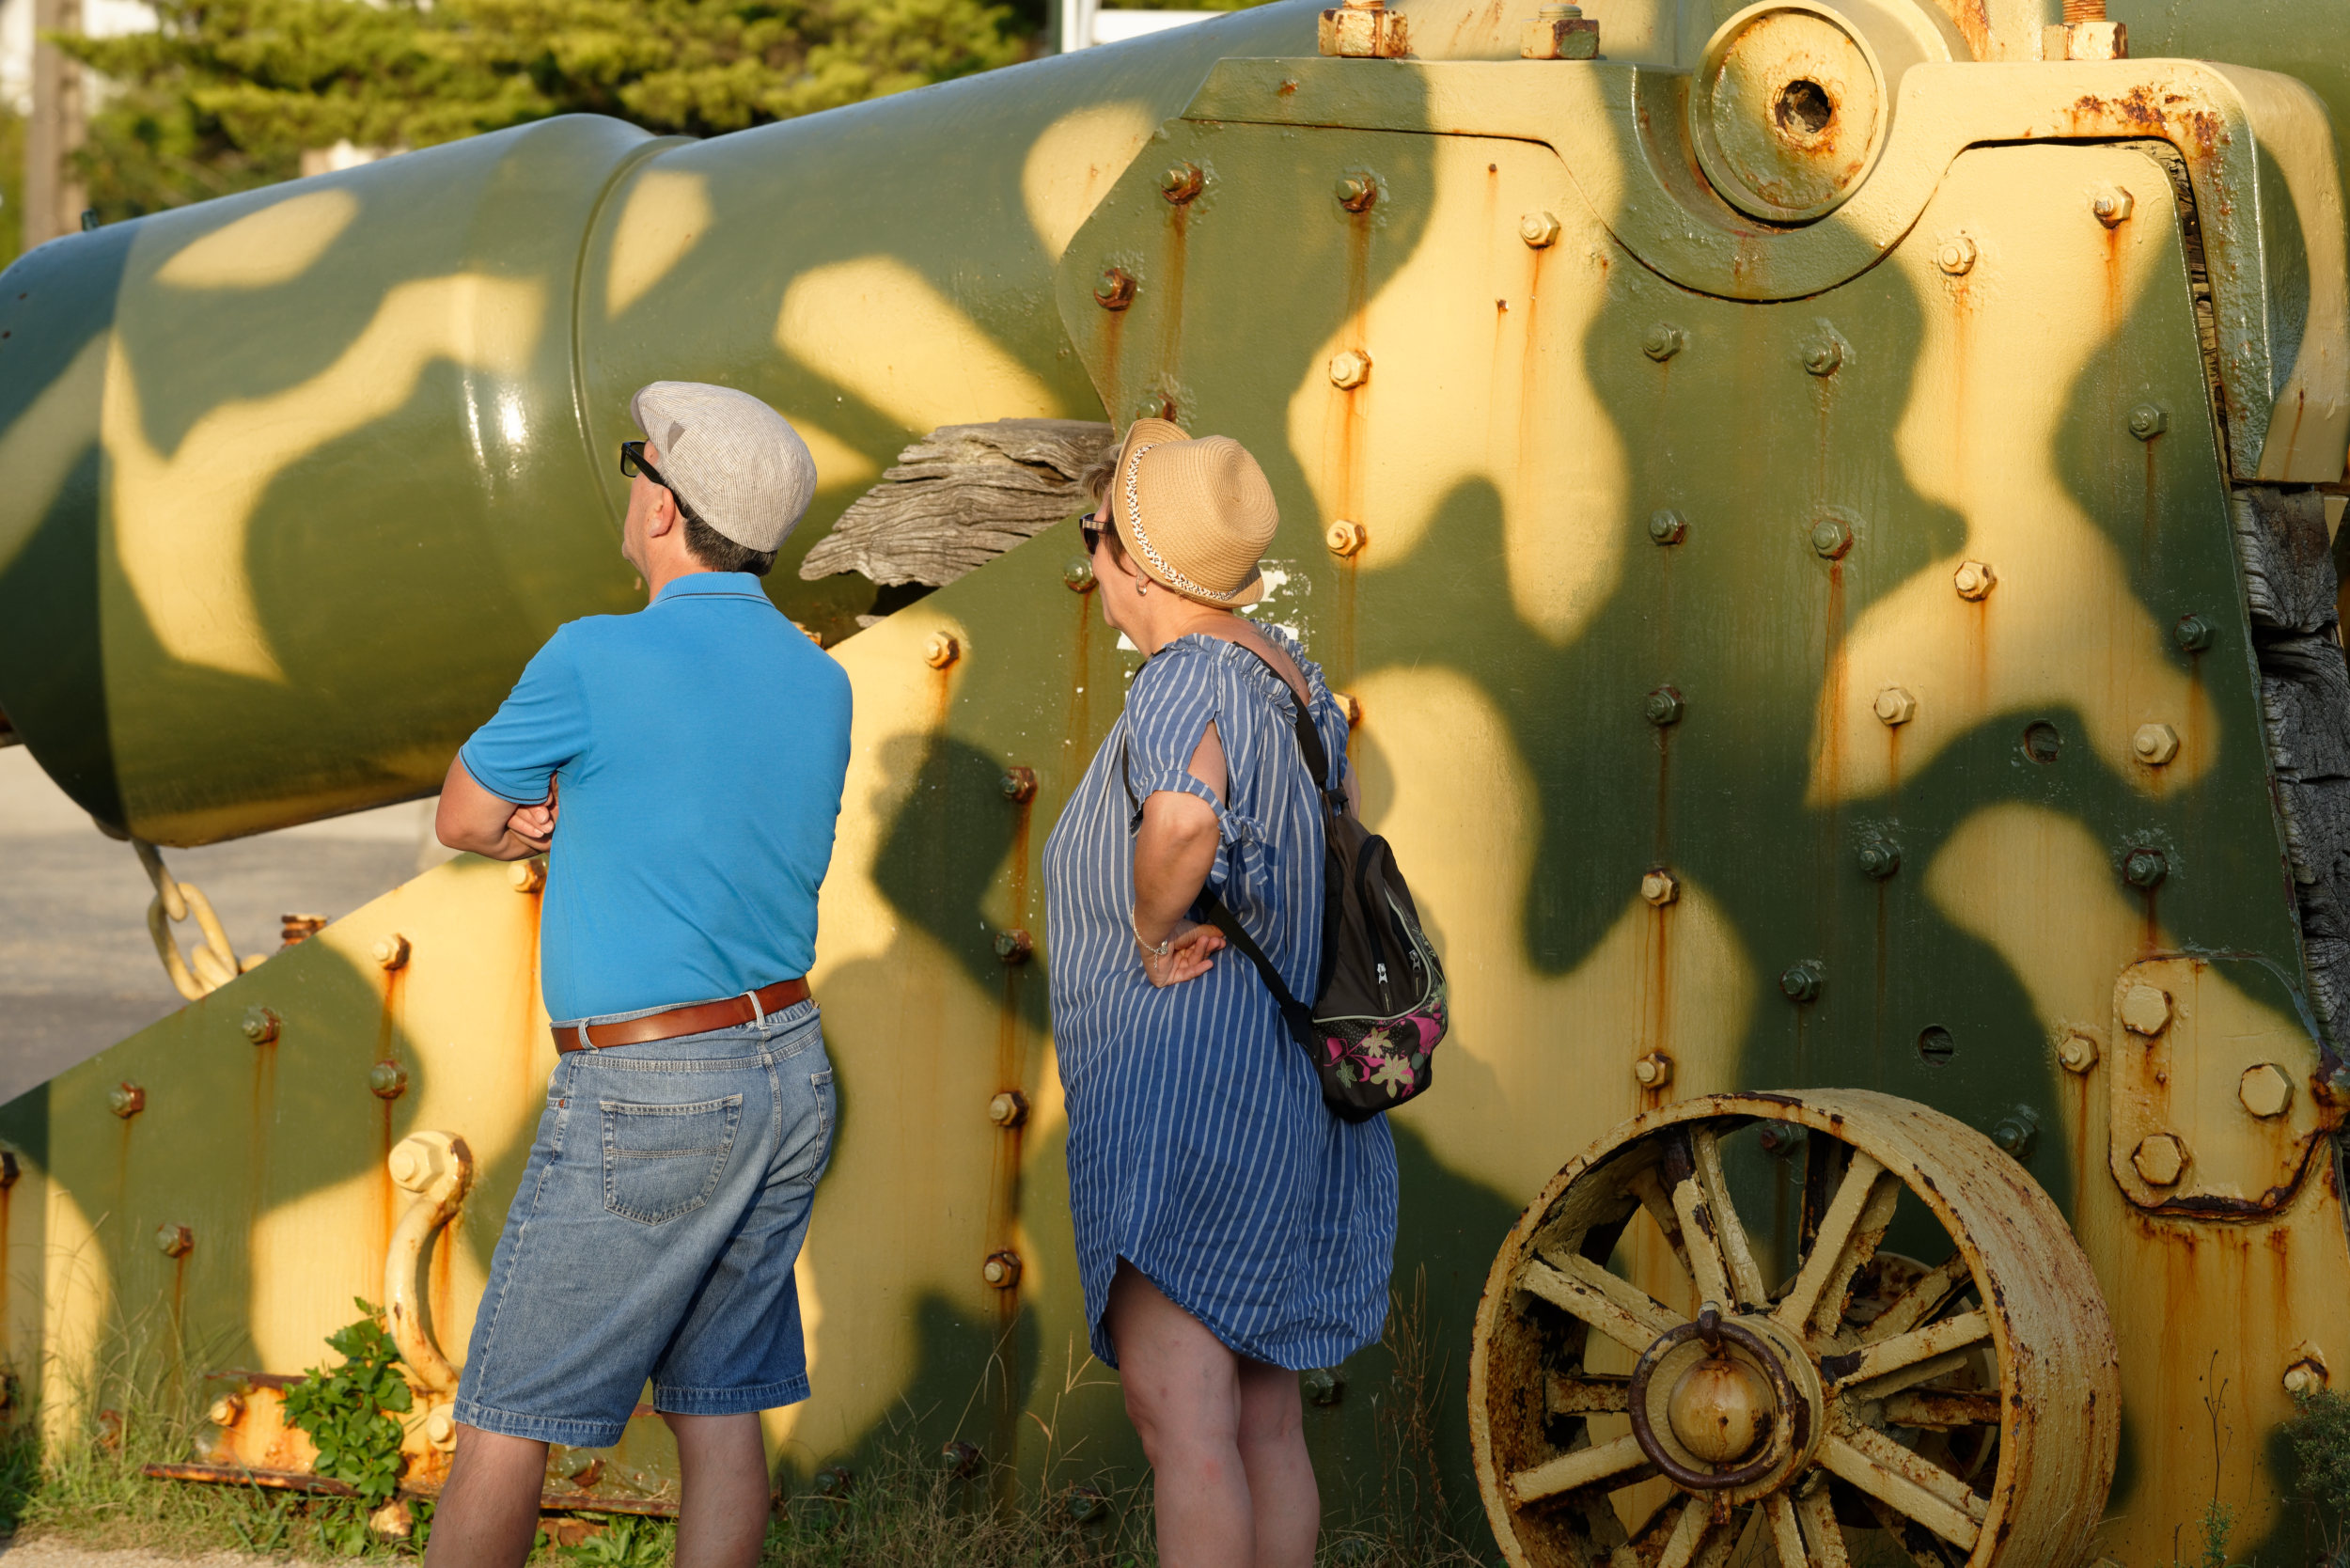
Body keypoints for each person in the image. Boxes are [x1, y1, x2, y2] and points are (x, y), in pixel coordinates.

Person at [426, 382, 852, 1568]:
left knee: (507, 1414)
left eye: (635, 464)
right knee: (718, 1407)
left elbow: (463, 816)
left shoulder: (591, 655)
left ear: (663, 508)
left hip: (653, 1086)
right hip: (788, 1070)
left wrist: (533, 826)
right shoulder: (817, 676)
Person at [1042, 419, 1399, 1568]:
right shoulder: (1286, 673)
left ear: (1137, 568)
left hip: (1188, 1088)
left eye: (1093, 535)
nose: (1089, 558)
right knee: (1261, 1421)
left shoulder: (1183, 676)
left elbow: (1184, 821)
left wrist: (1151, 934)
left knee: (1182, 1418)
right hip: (1281, 1085)